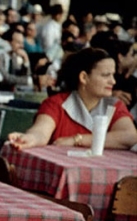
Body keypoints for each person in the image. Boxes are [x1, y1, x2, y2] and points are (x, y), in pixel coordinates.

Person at [8, 47, 137, 150]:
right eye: (105, 75)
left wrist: (77, 140)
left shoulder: (115, 106)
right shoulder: (57, 104)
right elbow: (41, 132)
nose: (113, 81)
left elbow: (130, 136)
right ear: (84, 78)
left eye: (113, 75)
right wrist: (28, 138)